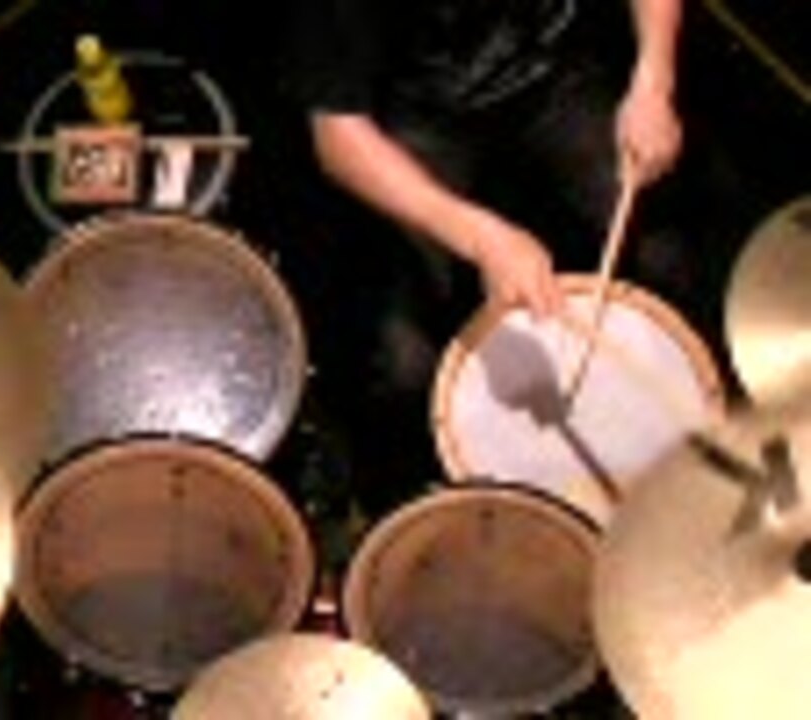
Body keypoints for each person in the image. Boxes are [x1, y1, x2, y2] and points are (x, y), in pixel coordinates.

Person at [280, 0, 745, 516]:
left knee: (665, 252)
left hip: (552, 69)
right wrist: (480, 236)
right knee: (404, 361)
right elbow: (338, 136)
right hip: (411, 109)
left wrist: (653, 80)